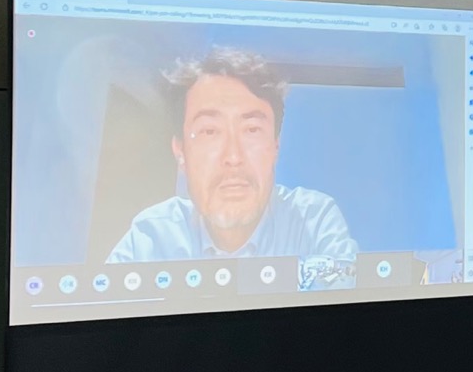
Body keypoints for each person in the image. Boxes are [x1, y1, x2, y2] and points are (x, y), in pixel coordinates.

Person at [109, 49, 357, 272]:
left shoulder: (312, 220)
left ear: (275, 147)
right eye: (209, 132)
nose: (233, 157)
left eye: (251, 131)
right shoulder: (151, 237)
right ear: (180, 152)